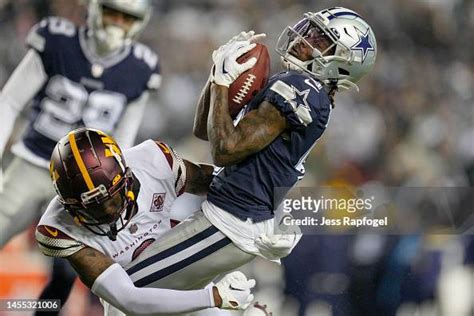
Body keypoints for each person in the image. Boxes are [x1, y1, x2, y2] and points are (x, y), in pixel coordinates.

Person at [124, 5, 377, 291]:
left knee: (128, 287)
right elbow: (204, 132)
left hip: (231, 222)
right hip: (230, 213)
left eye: (318, 39)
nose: (302, 38)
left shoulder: (303, 88)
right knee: (155, 297)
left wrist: (222, 83)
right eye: (309, 30)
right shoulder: (300, 86)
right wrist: (217, 74)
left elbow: (225, 149)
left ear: (342, 61)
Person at [0, 0, 160, 311]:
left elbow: (122, 143)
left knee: (68, 268)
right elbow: (9, 102)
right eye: (111, 12)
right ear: (94, 9)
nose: (116, 23)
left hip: (87, 187)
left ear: (140, 22)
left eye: (126, 18)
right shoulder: (57, 40)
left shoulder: (141, 67)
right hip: (33, 161)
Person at [35, 128, 255, 315]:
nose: (107, 212)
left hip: (182, 279)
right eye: (93, 208)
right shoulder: (57, 230)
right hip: (131, 305)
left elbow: (219, 186)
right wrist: (212, 296)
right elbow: (128, 299)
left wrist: (267, 191)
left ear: (127, 177)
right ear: (69, 206)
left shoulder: (154, 163)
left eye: (112, 198)